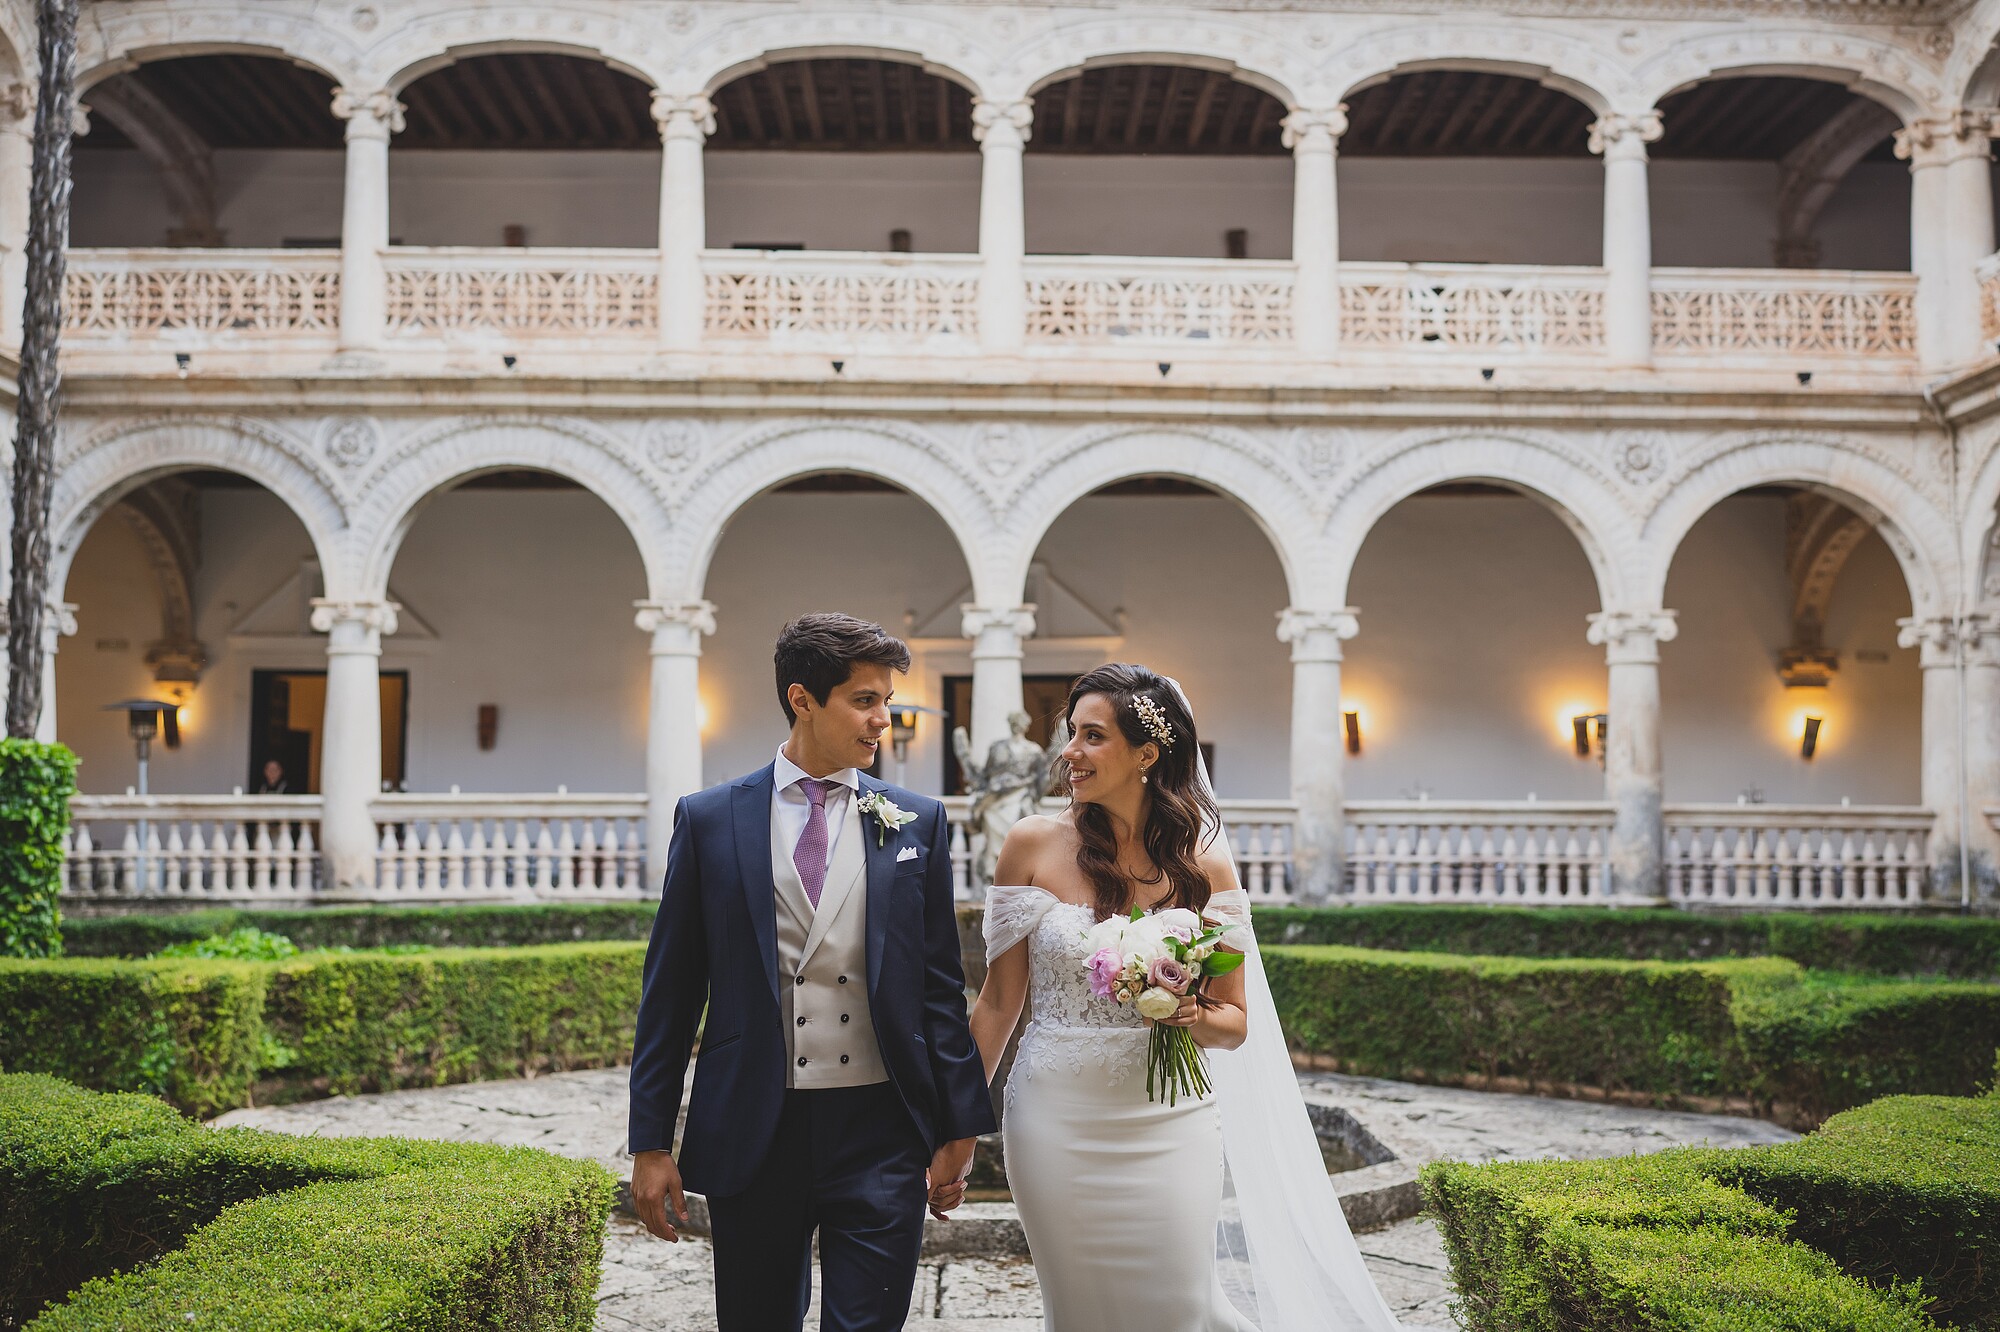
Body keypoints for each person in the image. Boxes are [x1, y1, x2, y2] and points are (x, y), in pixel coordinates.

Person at [952, 663, 1402, 1332]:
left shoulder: (1203, 866)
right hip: (1052, 1121)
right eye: (1071, 734)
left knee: (1179, 1309)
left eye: (1092, 736)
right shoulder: (1031, 846)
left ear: (1147, 754)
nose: (1069, 752)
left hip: (1169, 1124)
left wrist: (1186, 1011)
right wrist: (955, 1128)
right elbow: (996, 1005)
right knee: (1078, 1314)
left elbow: (1235, 1021)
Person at [627, 612, 996, 1332]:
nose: (883, 720)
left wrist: (960, 1125)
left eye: (886, 700)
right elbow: (669, 996)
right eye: (865, 700)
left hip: (882, 1128)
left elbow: (938, 990)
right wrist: (649, 1144)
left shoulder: (916, 821)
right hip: (754, 1127)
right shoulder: (708, 820)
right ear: (803, 700)